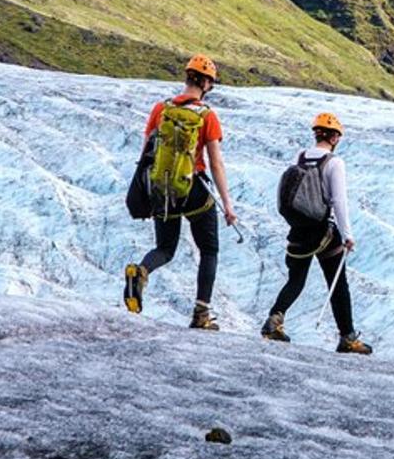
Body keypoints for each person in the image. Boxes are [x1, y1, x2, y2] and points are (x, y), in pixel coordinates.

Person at [122, 54, 237, 329]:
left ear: (187, 77)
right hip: (194, 189)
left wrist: (147, 189)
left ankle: (141, 271)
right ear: (207, 83)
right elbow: (216, 162)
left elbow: (146, 152)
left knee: (165, 248)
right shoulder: (207, 115)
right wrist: (228, 205)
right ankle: (201, 314)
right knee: (209, 250)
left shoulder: (160, 109)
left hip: (163, 187)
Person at [261, 113, 372, 355]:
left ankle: (274, 320)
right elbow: (338, 200)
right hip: (323, 230)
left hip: (298, 229)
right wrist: (347, 234)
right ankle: (348, 338)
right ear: (334, 137)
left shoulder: (300, 157)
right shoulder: (334, 163)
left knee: (295, 279)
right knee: (338, 284)